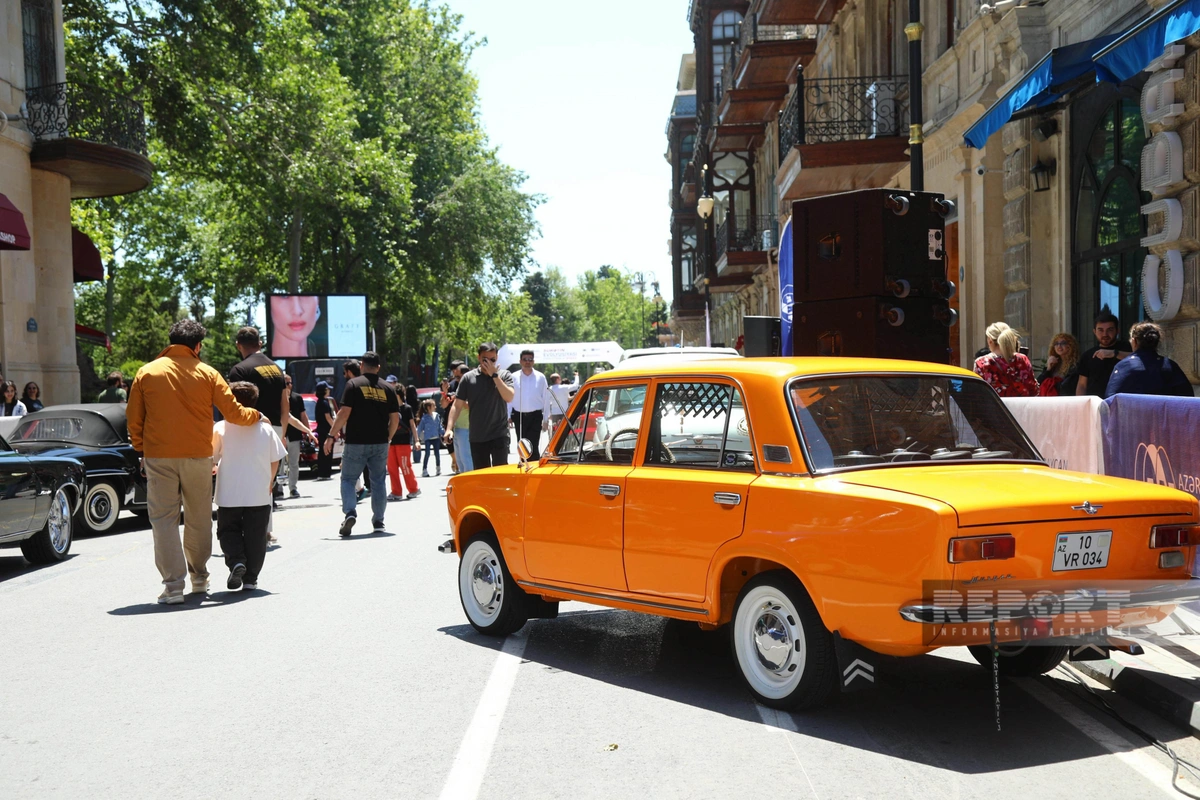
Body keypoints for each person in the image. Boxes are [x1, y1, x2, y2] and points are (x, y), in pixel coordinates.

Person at [127, 319, 261, 604]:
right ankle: (199, 578)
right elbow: (234, 413)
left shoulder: (146, 372)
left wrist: (142, 449)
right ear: (197, 345)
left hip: (159, 455)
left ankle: (173, 586)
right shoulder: (208, 373)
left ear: (171, 340)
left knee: (163, 520)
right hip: (198, 456)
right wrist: (256, 416)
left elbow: (134, 419)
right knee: (199, 519)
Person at [212, 381, 287, 591]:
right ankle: (251, 579)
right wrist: (270, 481)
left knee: (228, 530)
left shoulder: (221, 427)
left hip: (229, 492)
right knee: (256, 535)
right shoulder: (265, 428)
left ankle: (237, 561)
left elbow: (211, 457)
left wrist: (214, 467)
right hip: (259, 492)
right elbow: (276, 459)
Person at [324, 352, 399, 536]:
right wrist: (388, 438)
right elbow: (395, 418)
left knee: (349, 479)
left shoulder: (353, 384)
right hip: (380, 442)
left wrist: (330, 436)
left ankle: (350, 512)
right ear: (379, 367)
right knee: (378, 481)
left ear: (362, 365)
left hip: (356, 441)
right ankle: (379, 521)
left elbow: (343, 413)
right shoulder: (388, 388)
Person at [446, 342, 515, 470]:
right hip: (478, 436)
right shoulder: (468, 378)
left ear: (497, 358)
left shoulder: (504, 375)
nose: (488, 363)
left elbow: (509, 397)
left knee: (501, 475)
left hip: (499, 434)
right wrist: (449, 428)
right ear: (478, 358)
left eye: (492, 360)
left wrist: (494, 375)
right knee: (482, 476)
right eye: (485, 359)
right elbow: (457, 405)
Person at [1105, 321, 1194, 398]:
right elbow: (1187, 400)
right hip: (1165, 417)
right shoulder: (1170, 366)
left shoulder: (1123, 366)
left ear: (1134, 341)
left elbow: (1110, 401)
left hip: (1134, 417)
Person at [973, 322, 1038, 397]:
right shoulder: (1022, 359)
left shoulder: (982, 363)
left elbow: (977, 392)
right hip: (1021, 407)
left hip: (995, 407)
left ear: (990, 341)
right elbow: (1033, 389)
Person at [1076, 310, 1131, 397]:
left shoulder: (1128, 348)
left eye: (1110, 330)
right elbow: (1082, 385)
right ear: (1094, 331)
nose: (1105, 334)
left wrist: (1115, 353)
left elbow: (1139, 359)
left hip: (1122, 403)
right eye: (1100, 330)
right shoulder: (1087, 355)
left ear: (1117, 331)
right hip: (1096, 405)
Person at [510, 349, 549, 458]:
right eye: (525, 359)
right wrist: (508, 415)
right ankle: (524, 467)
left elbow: (546, 397)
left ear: (533, 361)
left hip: (535, 416)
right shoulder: (513, 377)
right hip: (519, 415)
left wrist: (546, 419)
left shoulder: (540, 377)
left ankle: (534, 469)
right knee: (522, 445)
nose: (527, 362)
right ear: (520, 361)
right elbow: (509, 397)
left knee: (533, 445)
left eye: (530, 359)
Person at [386, 380, 420, 501]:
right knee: (392, 468)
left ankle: (414, 489)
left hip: (404, 442)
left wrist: (416, 440)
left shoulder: (407, 408)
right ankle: (396, 492)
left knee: (405, 467)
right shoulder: (389, 408)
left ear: (398, 395)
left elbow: (412, 425)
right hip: (391, 442)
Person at [283, 375, 316, 498]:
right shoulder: (277, 398)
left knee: (293, 463)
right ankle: (278, 488)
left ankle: (293, 488)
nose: (288, 386)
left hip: (294, 434)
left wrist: (308, 432)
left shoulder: (297, 398)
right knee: (279, 463)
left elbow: (303, 416)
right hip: (280, 434)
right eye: (285, 383)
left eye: (289, 383)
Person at [1037, 333, 1081, 397]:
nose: (1059, 346)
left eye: (1063, 343)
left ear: (1070, 345)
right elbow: (1038, 384)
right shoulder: (1054, 363)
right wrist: (1048, 369)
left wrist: (1051, 384)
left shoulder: (1075, 365)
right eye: (1056, 344)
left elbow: (1067, 387)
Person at [314, 382, 336, 480]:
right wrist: (335, 429)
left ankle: (322, 473)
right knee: (327, 451)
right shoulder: (324, 402)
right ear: (324, 391)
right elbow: (328, 418)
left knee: (323, 452)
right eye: (327, 389)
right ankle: (325, 473)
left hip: (321, 430)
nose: (329, 390)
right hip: (326, 430)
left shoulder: (320, 402)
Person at [417, 399, 443, 476]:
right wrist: (417, 438)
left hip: (436, 438)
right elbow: (419, 428)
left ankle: (438, 468)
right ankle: (424, 469)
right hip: (428, 438)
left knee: (437, 454)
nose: (435, 407)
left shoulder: (436, 416)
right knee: (427, 453)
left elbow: (439, 427)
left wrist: (443, 433)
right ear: (428, 407)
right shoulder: (424, 418)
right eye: (433, 405)